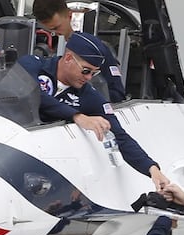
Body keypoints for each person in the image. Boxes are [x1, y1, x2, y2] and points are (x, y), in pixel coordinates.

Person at [18, 32, 169, 192]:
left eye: (94, 73)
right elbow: (31, 95)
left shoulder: (89, 95)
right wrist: (76, 116)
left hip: (38, 161)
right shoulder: (31, 65)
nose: (89, 78)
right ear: (68, 58)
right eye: (85, 71)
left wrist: (152, 169)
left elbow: (120, 135)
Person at [32, 0, 127, 103]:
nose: (53, 33)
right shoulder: (35, 46)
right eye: (48, 29)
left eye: (56, 28)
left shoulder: (95, 49)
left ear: (70, 15)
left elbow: (117, 93)